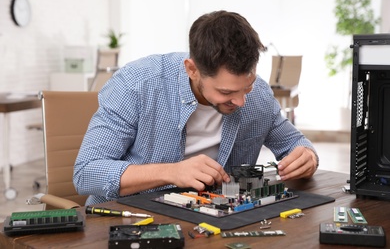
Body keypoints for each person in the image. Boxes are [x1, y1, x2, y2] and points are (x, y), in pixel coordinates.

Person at [74, 10, 319, 205]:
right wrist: (171, 172)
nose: (241, 102)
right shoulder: (136, 85)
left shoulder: (259, 96)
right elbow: (86, 173)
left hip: (214, 218)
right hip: (129, 217)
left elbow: (294, 144)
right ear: (192, 69)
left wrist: (307, 156)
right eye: (226, 92)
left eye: (247, 87)